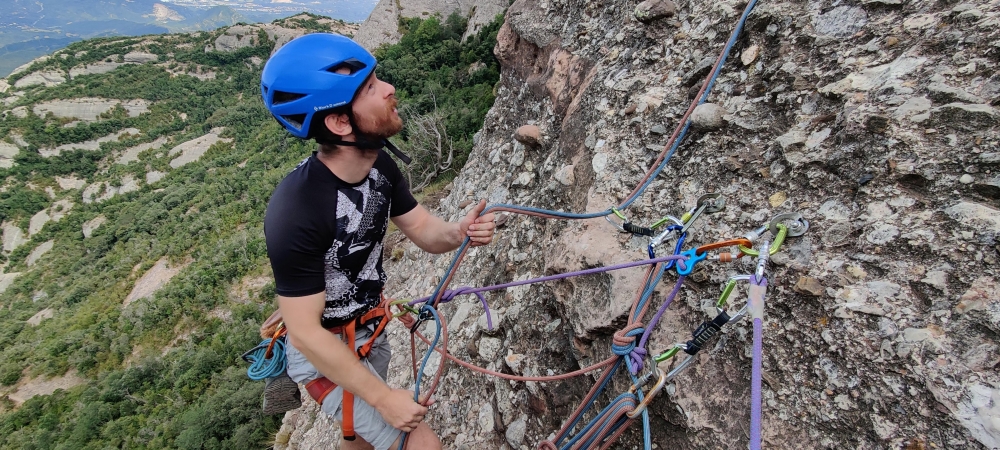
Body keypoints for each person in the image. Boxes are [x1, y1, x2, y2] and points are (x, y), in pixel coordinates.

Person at [260, 33, 496, 450]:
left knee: (361, 439)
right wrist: (385, 399)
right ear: (338, 122)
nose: (389, 89)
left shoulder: (379, 166)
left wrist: (458, 232)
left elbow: (422, 229)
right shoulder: (296, 211)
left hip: (370, 332)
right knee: (423, 445)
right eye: (370, 87)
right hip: (323, 354)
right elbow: (304, 334)